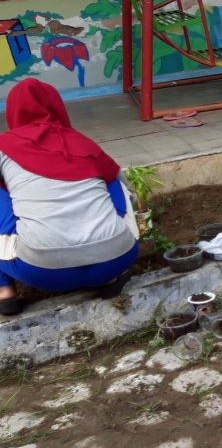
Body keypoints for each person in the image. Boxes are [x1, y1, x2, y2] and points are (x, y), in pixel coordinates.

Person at [0, 78, 138, 315]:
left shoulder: (4, 145)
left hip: (41, 271)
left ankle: (4, 290)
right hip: (116, 258)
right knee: (112, 178)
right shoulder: (82, 142)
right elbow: (126, 189)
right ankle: (108, 277)